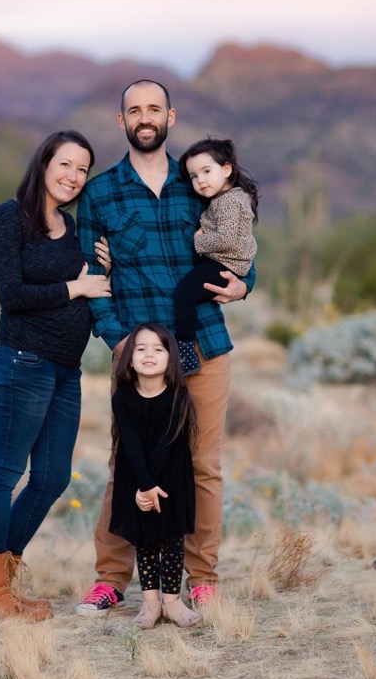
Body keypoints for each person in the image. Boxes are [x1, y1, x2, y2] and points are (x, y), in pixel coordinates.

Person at [74, 79, 255, 616]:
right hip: (140, 355)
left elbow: (239, 236)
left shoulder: (196, 180)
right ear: (121, 121)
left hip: (204, 341)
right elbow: (90, 274)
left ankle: (202, 580)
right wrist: (117, 338)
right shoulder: (101, 193)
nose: (144, 117)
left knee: (203, 465)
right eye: (135, 110)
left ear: (171, 117)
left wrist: (248, 282)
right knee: (126, 463)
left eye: (154, 108)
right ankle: (111, 579)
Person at [0, 130, 111, 622]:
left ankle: (0, 588)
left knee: (51, 477)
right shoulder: (10, 217)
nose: (73, 176)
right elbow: (11, 294)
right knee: (4, 473)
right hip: (22, 359)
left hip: (65, 370)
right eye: (66, 164)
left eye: (82, 170)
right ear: (44, 163)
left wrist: (101, 274)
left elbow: (94, 289)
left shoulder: (74, 230)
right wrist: (75, 286)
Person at [109, 322, 200, 629]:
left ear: (171, 359)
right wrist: (142, 487)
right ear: (129, 359)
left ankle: (172, 602)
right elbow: (131, 444)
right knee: (145, 540)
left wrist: (152, 488)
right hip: (136, 478)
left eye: (158, 349)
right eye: (141, 348)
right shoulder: (122, 397)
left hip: (171, 479)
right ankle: (150, 605)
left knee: (172, 540)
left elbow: (167, 443)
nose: (149, 354)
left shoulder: (179, 396)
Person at [174, 138, 259, 376]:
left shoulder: (230, 201)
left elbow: (227, 239)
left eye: (206, 171)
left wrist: (197, 240)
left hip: (223, 265)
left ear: (226, 169)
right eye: (193, 176)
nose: (199, 180)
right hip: (224, 263)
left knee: (183, 295)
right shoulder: (226, 198)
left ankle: (186, 354)